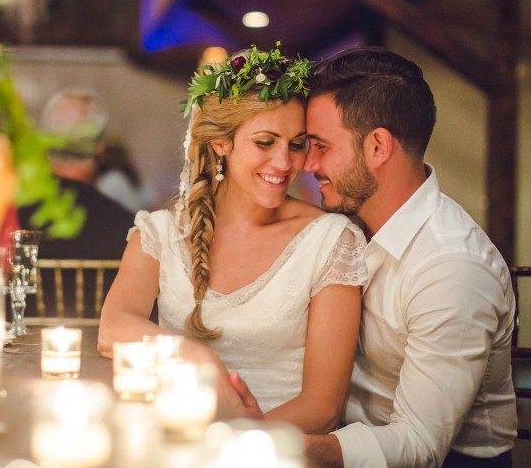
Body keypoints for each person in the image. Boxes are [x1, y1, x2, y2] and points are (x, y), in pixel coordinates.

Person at [232, 47, 518, 468]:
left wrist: (272, 446)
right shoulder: (344, 226)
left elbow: (420, 443)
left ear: (378, 146)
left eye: (321, 146)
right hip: (341, 439)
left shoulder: (452, 269)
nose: (306, 163)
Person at [98, 43, 368, 431]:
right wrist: (198, 357)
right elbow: (112, 328)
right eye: (265, 142)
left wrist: (232, 446)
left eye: (296, 145)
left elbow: (323, 407)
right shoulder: (161, 232)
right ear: (222, 143)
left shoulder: (330, 241)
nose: (284, 163)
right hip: (174, 440)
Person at [17, 88, 135, 316]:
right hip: (101, 342)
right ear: (99, 149)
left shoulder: (9, 218)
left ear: (44, 143)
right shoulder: (127, 227)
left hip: (14, 343)